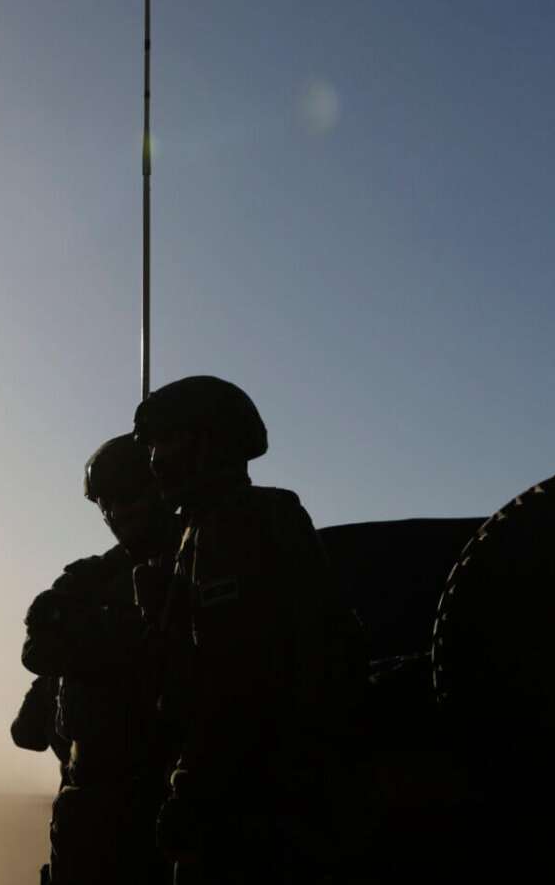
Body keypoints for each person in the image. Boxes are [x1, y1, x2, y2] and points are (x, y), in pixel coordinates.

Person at [135, 376, 362, 884]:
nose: (154, 458)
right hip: (261, 795)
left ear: (209, 442)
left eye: (164, 441)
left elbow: (240, 678)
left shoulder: (230, 527)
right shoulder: (214, 526)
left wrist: (189, 791)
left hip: (252, 804)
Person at [16, 433, 181, 885]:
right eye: (105, 502)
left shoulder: (194, 565)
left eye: (128, 496)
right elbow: (30, 712)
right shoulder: (88, 581)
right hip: (94, 818)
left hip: (173, 807)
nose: (116, 512)